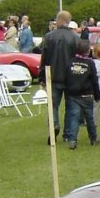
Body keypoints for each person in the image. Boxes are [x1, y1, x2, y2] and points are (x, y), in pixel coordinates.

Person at [41, 10, 79, 142]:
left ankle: (54, 125)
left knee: (53, 105)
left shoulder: (49, 36)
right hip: (71, 77)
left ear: (58, 20)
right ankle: (68, 134)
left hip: (53, 75)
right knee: (71, 106)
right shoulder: (75, 38)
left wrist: (42, 77)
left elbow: (44, 58)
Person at [63, 39, 100, 149]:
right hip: (86, 95)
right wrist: (97, 94)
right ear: (87, 51)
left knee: (74, 118)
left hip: (73, 94)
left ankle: (72, 140)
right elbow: (94, 80)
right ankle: (93, 139)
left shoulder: (70, 62)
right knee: (89, 118)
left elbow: (66, 78)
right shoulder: (90, 63)